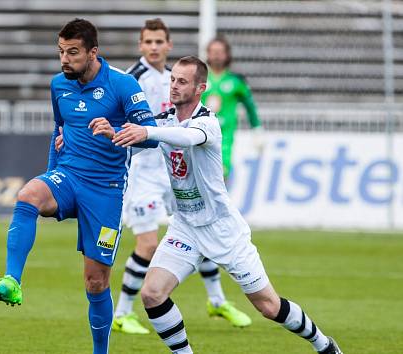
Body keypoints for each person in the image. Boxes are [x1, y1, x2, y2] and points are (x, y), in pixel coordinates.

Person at [110, 56, 343, 354]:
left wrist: (147, 132)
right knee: (152, 294)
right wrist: (106, 133)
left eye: (182, 81)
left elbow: (186, 137)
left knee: (269, 306)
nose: (174, 86)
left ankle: (324, 345)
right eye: (172, 80)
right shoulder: (164, 121)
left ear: (200, 88)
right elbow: (137, 135)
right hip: (185, 227)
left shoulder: (207, 122)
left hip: (223, 230)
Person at [0, 18, 158, 354]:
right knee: (29, 195)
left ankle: (100, 351)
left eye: (73, 52)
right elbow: (58, 130)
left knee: (96, 282)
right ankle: (12, 281)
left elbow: (150, 137)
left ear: (94, 52)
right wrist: (52, 174)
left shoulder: (123, 85)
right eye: (61, 51)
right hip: (68, 176)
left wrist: (115, 132)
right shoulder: (58, 86)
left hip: (106, 191)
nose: (65, 59)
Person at [113, 19, 250, 334]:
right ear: (140, 45)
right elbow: (115, 113)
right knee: (147, 245)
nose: (154, 47)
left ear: (169, 45)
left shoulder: (171, 78)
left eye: (159, 41)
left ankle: (216, 300)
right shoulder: (134, 77)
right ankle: (122, 312)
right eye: (148, 42)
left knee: (197, 226)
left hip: (171, 171)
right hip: (143, 173)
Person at [202, 36, 264, 182]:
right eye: (213, 51)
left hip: (224, 138)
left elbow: (250, 107)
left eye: (220, 52)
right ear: (208, 54)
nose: (216, 55)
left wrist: (257, 130)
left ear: (227, 54)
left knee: (220, 177)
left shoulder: (236, 81)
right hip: (200, 132)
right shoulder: (199, 78)